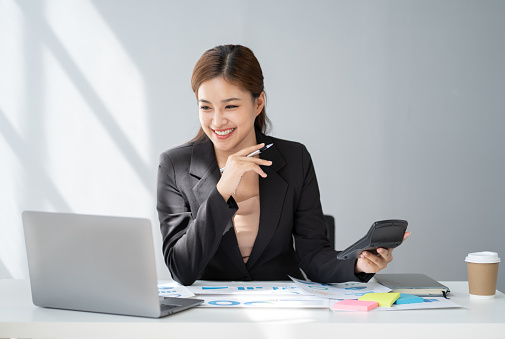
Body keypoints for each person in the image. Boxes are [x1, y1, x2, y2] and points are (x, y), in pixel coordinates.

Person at [157, 44, 407, 286]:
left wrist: (358, 264)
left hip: (282, 309)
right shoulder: (175, 166)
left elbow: (313, 255)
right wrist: (223, 190)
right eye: (206, 107)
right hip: (211, 312)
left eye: (231, 106)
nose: (217, 120)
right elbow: (181, 269)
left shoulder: (295, 159)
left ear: (258, 103)